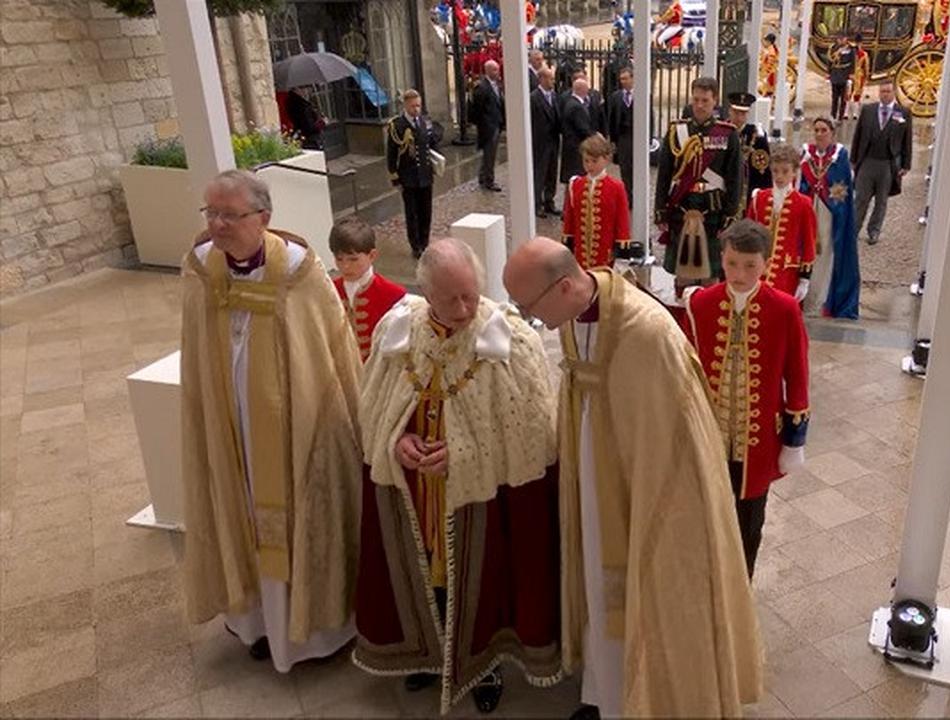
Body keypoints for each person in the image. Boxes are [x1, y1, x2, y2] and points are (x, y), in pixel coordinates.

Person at [502, 237, 763, 719]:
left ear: (562, 287)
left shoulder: (646, 332)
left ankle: (647, 697)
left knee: (641, 585)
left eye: (528, 306)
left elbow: (676, 435)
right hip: (591, 467)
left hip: (647, 482)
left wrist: (648, 491)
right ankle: (603, 691)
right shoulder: (571, 314)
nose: (529, 317)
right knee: (596, 577)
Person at [353, 238, 562, 714]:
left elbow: (531, 432)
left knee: (482, 580)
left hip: (484, 500)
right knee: (425, 571)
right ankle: (428, 653)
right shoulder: (397, 329)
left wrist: (465, 453)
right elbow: (374, 409)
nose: (465, 307)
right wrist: (395, 443)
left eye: (471, 293)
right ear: (426, 293)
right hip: (417, 492)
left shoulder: (509, 337)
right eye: (451, 299)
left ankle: (483, 664)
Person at [180, 170, 362, 672]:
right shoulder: (199, 267)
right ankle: (255, 623)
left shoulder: (298, 270)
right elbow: (195, 347)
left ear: (264, 217)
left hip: (290, 428)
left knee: (294, 513)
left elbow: (330, 351)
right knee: (238, 509)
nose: (216, 225)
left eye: (229, 215)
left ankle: (310, 635)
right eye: (210, 213)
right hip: (228, 421)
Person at [681, 220, 809, 580]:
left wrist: (794, 440)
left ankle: (741, 589)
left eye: (750, 265)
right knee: (706, 517)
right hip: (711, 436)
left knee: (750, 524)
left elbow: (796, 373)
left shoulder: (784, 309)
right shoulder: (701, 304)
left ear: (765, 264)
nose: (740, 273)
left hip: (759, 443)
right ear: (722, 258)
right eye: (733, 263)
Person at [655, 77, 742, 294]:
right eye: (696, 100)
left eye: (705, 100)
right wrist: (660, 210)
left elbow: (735, 178)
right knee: (682, 273)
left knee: (710, 275)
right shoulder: (677, 131)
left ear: (715, 101)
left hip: (712, 209)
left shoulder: (727, 134)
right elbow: (664, 174)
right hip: (681, 206)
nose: (700, 105)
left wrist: (730, 215)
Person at [801, 117, 860, 319]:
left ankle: (822, 300)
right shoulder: (806, 153)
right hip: (809, 210)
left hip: (829, 214)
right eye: (816, 130)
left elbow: (842, 187)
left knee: (826, 254)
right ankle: (805, 298)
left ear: (832, 133)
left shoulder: (839, 155)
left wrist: (828, 198)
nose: (819, 134)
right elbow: (800, 182)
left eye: (823, 130)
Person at [744, 144, 816, 300]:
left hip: (787, 273)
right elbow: (747, 236)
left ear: (795, 172)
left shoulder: (804, 203)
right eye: (775, 171)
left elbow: (809, 241)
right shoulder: (759, 199)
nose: (779, 176)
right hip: (758, 270)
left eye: (785, 171)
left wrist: (805, 278)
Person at [329, 217, 406, 362]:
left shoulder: (393, 295)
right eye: (339, 259)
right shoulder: (329, 290)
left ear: (372, 256)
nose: (345, 266)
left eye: (353, 259)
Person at [851, 82, 911, 247]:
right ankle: (853, 230)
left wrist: (906, 164)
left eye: (888, 91)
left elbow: (907, 140)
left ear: (893, 92)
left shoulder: (903, 113)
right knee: (861, 198)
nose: (885, 94)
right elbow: (858, 135)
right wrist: (854, 159)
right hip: (868, 161)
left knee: (881, 201)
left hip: (888, 164)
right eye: (882, 91)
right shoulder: (868, 110)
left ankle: (874, 231)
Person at [387, 89, 442, 258]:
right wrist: (395, 177)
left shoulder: (424, 122)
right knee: (412, 213)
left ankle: (425, 242)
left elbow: (431, 146)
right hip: (408, 177)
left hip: (425, 175)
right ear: (405, 105)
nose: (416, 109)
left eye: (418, 105)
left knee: (426, 211)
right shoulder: (397, 125)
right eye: (413, 106)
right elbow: (391, 153)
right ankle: (415, 244)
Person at [563, 134, 632, 269]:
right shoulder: (576, 185)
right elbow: (569, 218)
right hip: (580, 252)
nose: (589, 165)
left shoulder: (616, 187)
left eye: (594, 161)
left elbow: (622, 221)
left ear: (606, 159)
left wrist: (621, 251)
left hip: (605, 251)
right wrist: (568, 244)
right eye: (586, 161)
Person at [726, 92, 772, 218]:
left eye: (743, 114)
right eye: (736, 113)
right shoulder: (722, 132)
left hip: (748, 194)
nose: (739, 118)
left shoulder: (757, 136)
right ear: (729, 111)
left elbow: (764, 172)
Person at [532, 66, 562, 218]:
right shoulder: (534, 98)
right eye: (550, 78)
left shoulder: (554, 96)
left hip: (553, 141)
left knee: (552, 173)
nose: (553, 81)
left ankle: (549, 201)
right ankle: (536, 205)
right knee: (539, 174)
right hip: (540, 142)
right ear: (542, 79)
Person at [470, 60, 505, 192]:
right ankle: (488, 180)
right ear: (488, 71)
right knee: (489, 154)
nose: (497, 72)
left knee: (490, 154)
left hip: (496, 123)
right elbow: (477, 109)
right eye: (495, 70)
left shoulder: (496, 85)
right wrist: (482, 124)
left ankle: (483, 176)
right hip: (488, 126)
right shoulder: (482, 87)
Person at [560, 78, 597, 195]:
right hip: (576, 148)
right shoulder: (576, 107)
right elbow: (583, 129)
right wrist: (596, 136)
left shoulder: (571, 103)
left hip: (571, 147)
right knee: (576, 179)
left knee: (572, 180)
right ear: (582, 89)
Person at [605, 67, 635, 205]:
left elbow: (649, 117)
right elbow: (611, 118)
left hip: (636, 136)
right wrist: (612, 140)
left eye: (625, 78)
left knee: (636, 167)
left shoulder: (643, 94)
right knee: (625, 168)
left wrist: (649, 139)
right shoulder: (616, 96)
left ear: (632, 78)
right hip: (623, 137)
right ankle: (628, 196)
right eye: (621, 79)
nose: (623, 82)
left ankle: (637, 193)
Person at [828, 34, 869, 121]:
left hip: (851, 75)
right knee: (841, 96)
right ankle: (838, 115)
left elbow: (859, 65)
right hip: (840, 74)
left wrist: (855, 75)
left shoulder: (856, 51)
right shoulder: (835, 48)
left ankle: (849, 114)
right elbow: (830, 61)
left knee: (852, 96)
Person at [759, 32, 780, 97]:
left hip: (769, 72)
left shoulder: (771, 51)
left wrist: (767, 72)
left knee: (767, 89)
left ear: (769, 41)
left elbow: (770, 62)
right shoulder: (771, 49)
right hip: (768, 71)